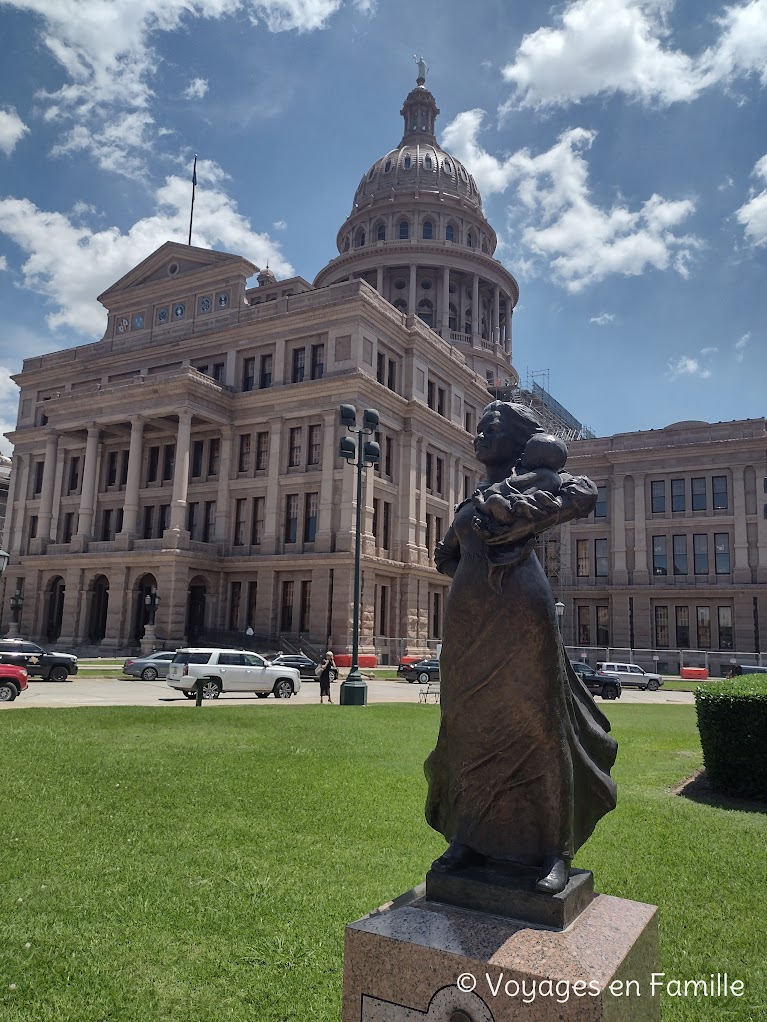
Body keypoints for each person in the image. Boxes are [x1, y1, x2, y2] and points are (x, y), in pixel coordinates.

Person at [424, 400, 618, 895]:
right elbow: (444, 555)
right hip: (470, 618)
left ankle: (554, 850)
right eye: (479, 428)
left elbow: (584, 492)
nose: (480, 435)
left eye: (493, 428)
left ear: (517, 441)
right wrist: (475, 575)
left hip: (522, 607)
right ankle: (468, 838)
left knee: (537, 724)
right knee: (466, 723)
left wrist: (524, 527)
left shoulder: (538, 478)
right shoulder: (473, 498)